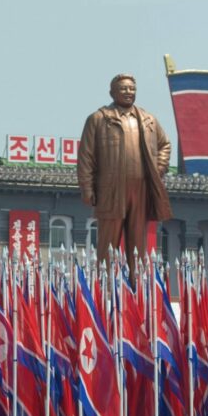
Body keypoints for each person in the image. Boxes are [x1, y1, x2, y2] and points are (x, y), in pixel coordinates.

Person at [77, 73, 172, 270]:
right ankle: (106, 288)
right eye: (123, 88)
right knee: (108, 243)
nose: (128, 92)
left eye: (131, 89)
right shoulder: (98, 119)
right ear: (112, 92)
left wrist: (159, 168)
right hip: (111, 189)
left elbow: (165, 145)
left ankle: (135, 288)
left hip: (141, 189)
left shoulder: (148, 120)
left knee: (138, 242)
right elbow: (86, 157)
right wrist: (87, 189)